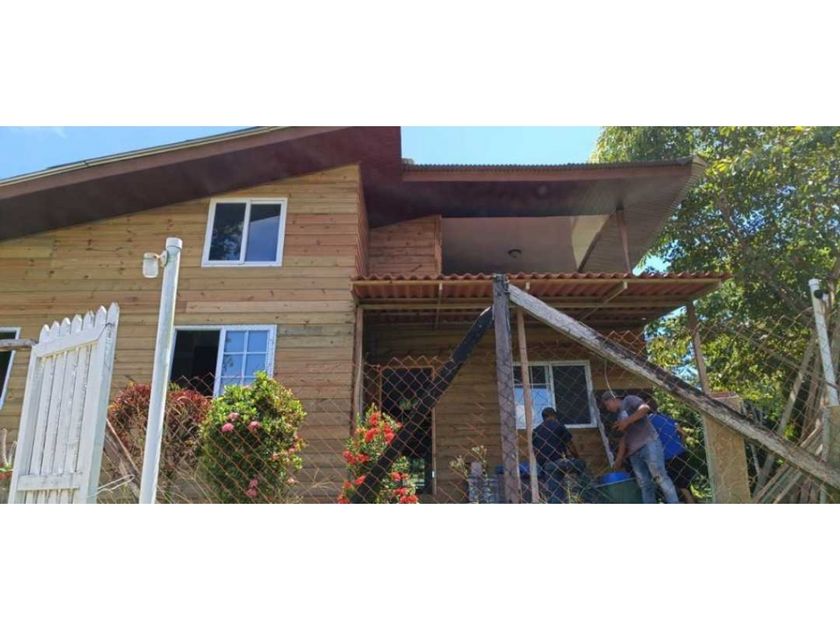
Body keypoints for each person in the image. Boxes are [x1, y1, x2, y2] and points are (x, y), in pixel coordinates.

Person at [602, 391, 680, 504]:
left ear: (613, 399)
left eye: (607, 405)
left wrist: (626, 421)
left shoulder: (629, 400)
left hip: (648, 443)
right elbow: (623, 438)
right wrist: (619, 459)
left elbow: (644, 408)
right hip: (634, 453)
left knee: (659, 476)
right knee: (644, 484)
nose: (608, 408)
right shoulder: (618, 416)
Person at [532, 407, 591, 503]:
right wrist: (577, 457)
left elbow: (535, 451)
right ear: (553, 416)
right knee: (581, 464)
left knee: (557, 495)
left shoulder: (536, 431)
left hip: (548, 465)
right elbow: (570, 445)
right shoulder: (558, 426)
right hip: (561, 462)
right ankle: (589, 495)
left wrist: (542, 465)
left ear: (543, 417)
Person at [645, 397, 697, 503]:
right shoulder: (666, 417)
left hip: (667, 456)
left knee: (677, 485)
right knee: (685, 482)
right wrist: (681, 445)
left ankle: (690, 502)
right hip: (681, 452)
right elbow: (683, 433)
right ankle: (692, 501)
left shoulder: (649, 421)